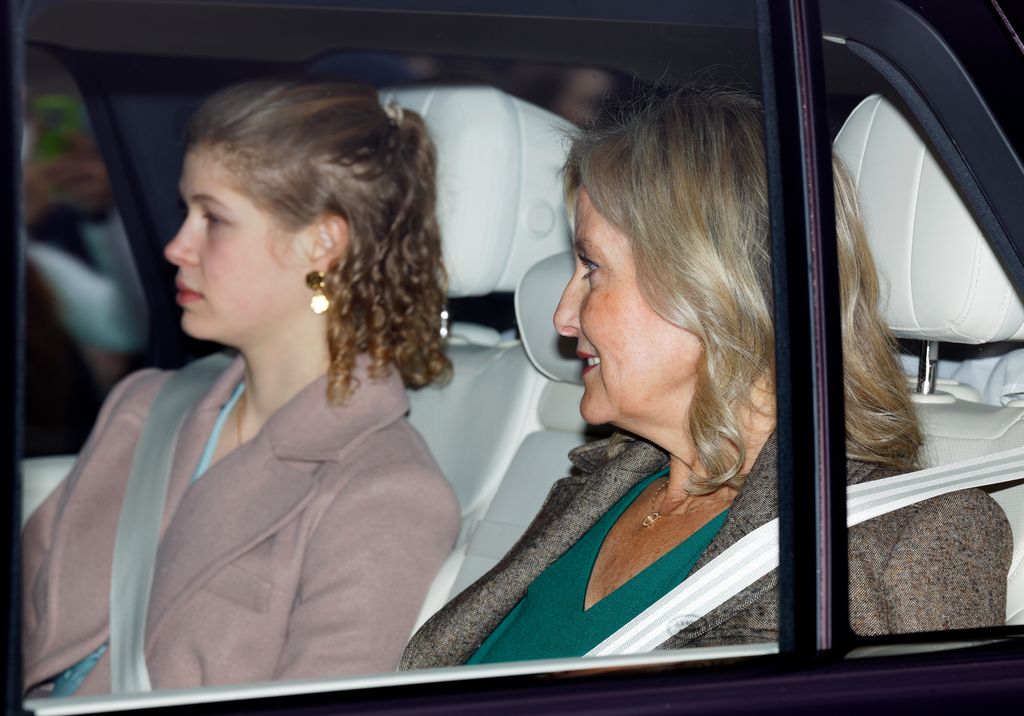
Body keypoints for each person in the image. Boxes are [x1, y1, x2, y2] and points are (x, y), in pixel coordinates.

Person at [400, 87, 1012, 668]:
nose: (561, 316)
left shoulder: (903, 541)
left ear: (712, 290)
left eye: (591, 267)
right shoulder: (596, 491)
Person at [23, 77, 460, 695]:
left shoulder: (386, 493)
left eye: (214, 219)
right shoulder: (142, 407)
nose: (176, 246)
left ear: (321, 243)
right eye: (185, 212)